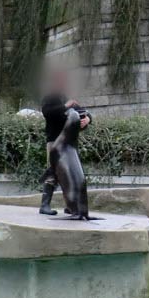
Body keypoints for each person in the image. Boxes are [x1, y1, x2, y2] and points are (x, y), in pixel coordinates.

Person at [39, 73, 91, 216]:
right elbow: (47, 113)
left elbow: (83, 112)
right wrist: (65, 106)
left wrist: (87, 120)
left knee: (70, 175)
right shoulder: (50, 98)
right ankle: (44, 205)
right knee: (53, 172)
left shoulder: (66, 98)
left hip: (69, 145)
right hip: (55, 142)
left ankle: (71, 206)